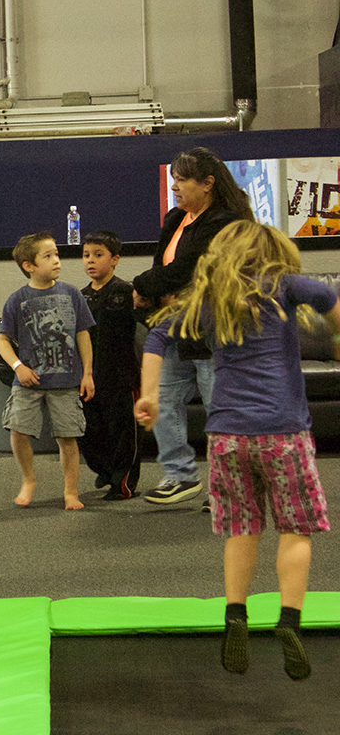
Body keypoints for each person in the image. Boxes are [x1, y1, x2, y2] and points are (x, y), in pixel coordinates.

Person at [135, 221, 339, 681]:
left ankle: (235, 614)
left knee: (241, 528)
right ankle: (288, 620)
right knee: (296, 528)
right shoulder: (283, 286)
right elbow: (328, 300)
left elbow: (156, 335)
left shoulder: (209, 300)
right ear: (271, 251)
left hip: (227, 436)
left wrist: (148, 394)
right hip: (283, 432)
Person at [132, 147, 256, 505]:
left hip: (214, 330)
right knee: (165, 400)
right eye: (173, 180)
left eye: (182, 180)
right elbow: (164, 264)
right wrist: (153, 294)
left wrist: (142, 284)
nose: (175, 187)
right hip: (175, 327)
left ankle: (228, 485)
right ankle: (181, 476)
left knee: (221, 409)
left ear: (207, 184)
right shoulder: (175, 219)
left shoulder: (225, 222)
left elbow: (187, 269)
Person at [0, 231, 95, 510]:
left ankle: (70, 492)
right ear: (29, 265)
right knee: (17, 429)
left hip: (66, 381)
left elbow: (83, 335)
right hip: (28, 382)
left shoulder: (72, 294)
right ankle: (29, 479)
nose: (56, 261)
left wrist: (87, 373)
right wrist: (18, 366)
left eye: (57, 254)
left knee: (68, 437)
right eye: (48, 256)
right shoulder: (17, 300)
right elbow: (2, 339)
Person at [80, 231, 141, 500]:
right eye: (86, 255)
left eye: (98, 255)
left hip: (120, 375)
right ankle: (103, 468)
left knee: (122, 433)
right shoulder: (79, 297)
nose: (90, 261)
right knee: (89, 431)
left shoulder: (125, 292)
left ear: (115, 260)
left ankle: (123, 483)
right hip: (89, 377)